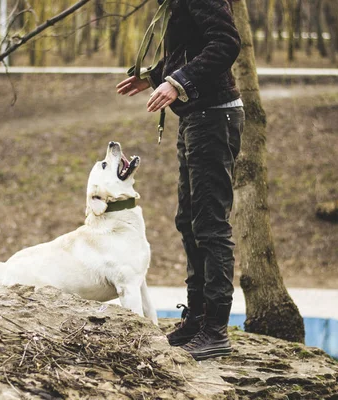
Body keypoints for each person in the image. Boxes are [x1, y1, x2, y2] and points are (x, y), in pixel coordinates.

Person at [116, 0, 244, 361]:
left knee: (210, 226)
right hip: (196, 118)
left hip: (215, 117)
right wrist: (156, 76)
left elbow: (225, 43)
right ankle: (198, 319)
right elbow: (190, 48)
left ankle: (215, 331)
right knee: (189, 222)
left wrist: (178, 83)